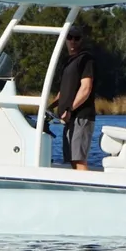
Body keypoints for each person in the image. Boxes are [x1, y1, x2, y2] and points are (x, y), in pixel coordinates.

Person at [48, 25, 96, 170]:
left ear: (81, 40)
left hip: (80, 116)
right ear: (65, 40)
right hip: (68, 118)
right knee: (72, 160)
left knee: (78, 160)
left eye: (76, 38)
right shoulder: (67, 62)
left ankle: (88, 190)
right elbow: (63, 91)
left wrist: (69, 109)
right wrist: (49, 107)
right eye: (69, 38)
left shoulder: (85, 60)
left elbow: (86, 88)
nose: (73, 41)